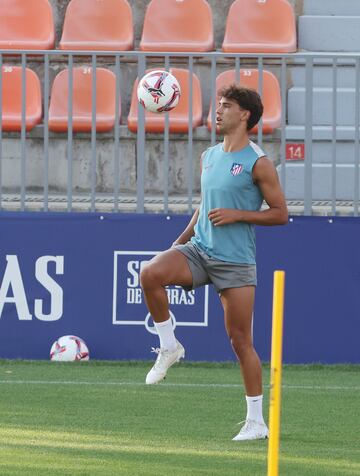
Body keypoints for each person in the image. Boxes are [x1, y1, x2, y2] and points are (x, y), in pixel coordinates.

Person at [140, 85, 288, 441]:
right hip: (199, 250)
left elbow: (281, 214)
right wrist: (181, 240)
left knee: (241, 342)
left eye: (226, 106)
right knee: (149, 273)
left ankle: (255, 421)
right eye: (217, 105)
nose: (217, 111)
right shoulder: (208, 155)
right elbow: (204, 205)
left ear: (245, 116)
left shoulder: (259, 162)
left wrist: (239, 215)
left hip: (235, 262)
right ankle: (169, 346)